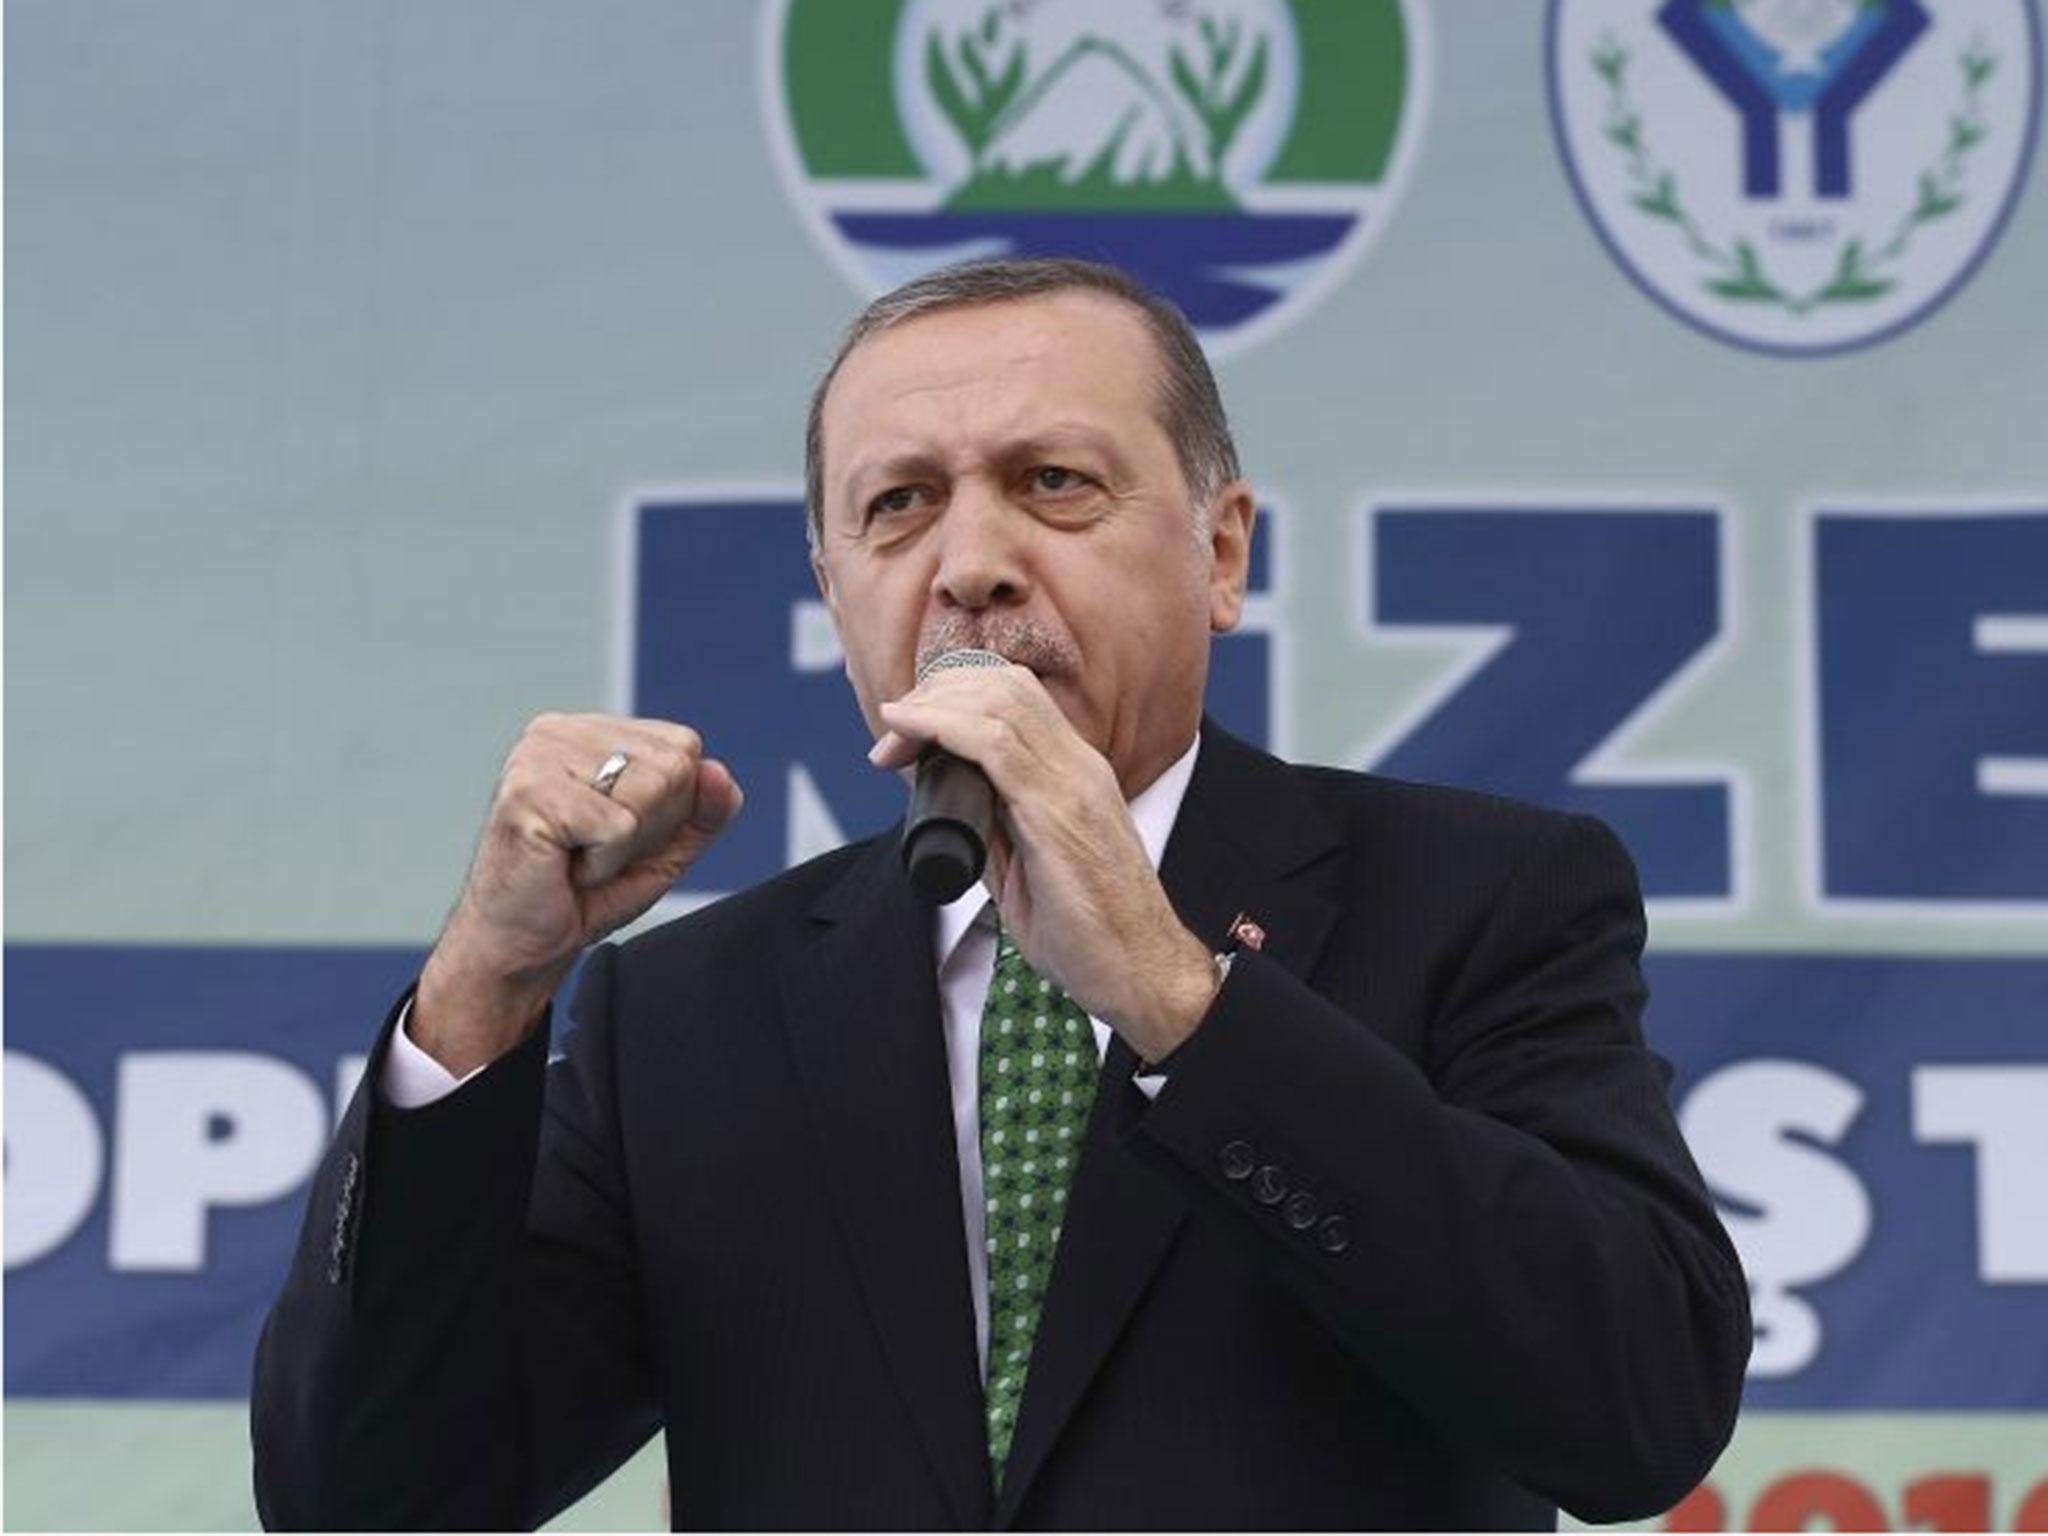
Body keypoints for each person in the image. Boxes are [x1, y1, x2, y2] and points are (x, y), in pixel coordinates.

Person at [251, 257, 1750, 1530]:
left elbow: (1637, 1407)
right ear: (836, 592)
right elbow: (372, 1501)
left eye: (1054, 484)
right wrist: (483, 990)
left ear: (1220, 552)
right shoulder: (692, 1010)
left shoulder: (1475, 895)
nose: (973, 564)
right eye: (899, 506)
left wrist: (1179, 1004)